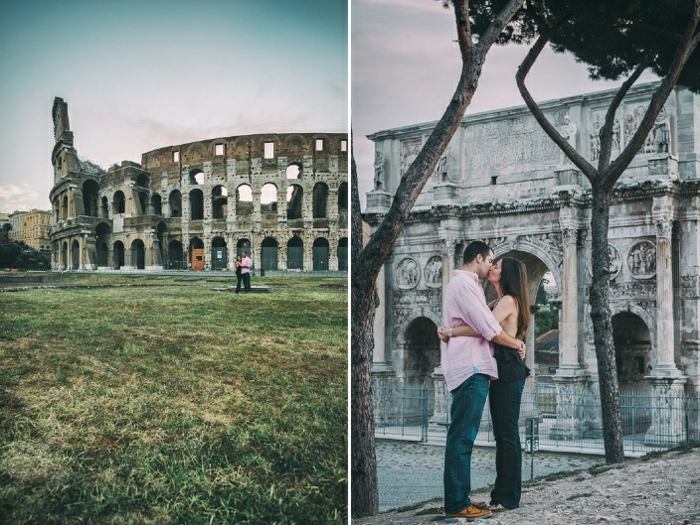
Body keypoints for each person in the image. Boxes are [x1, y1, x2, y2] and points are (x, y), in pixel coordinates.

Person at [439, 241, 526, 520]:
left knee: (506, 431)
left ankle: (506, 495)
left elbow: (486, 329)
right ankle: (496, 496)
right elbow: (484, 326)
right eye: (492, 261)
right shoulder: (487, 296)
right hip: (493, 365)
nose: (493, 265)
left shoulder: (505, 300)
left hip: (506, 367)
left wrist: (451, 331)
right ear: (479, 258)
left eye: (497, 265)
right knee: (501, 432)